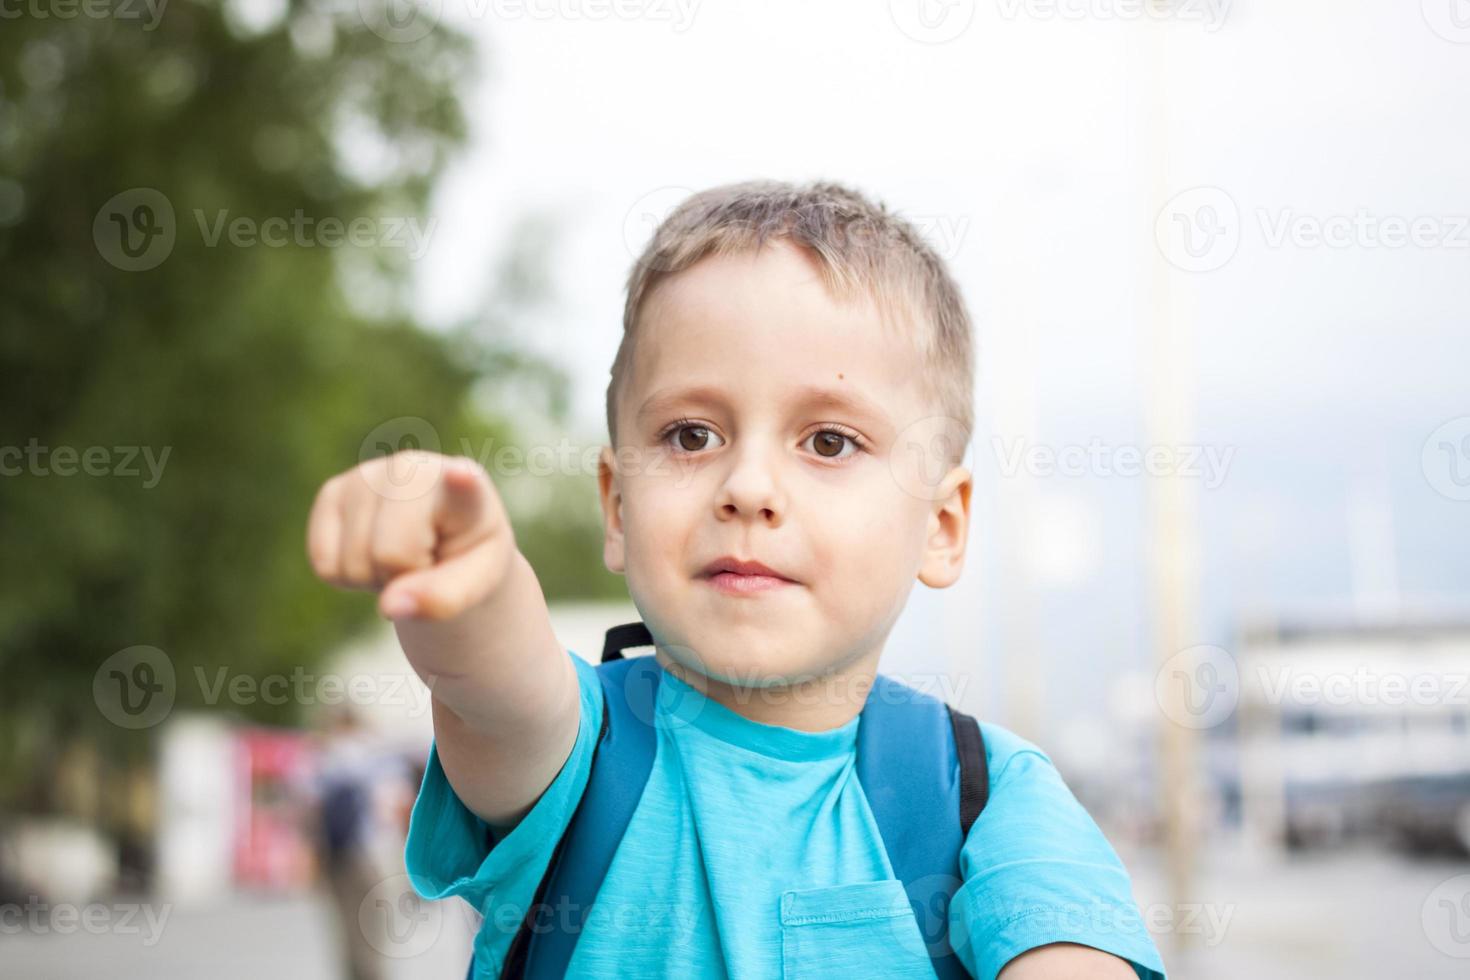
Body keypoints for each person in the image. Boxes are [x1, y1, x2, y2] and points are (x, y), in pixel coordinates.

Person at [306, 180, 1168, 979]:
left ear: (940, 528)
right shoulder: (578, 755)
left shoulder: (988, 797)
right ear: (615, 506)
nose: (748, 487)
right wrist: (474, 575)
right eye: (690, 435)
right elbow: (495, 684)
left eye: (829, 441)